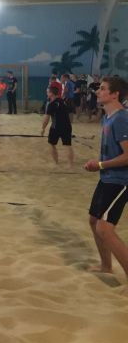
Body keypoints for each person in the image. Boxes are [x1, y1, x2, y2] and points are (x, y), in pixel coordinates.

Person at [83, 76, 128, 284]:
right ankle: (106, 266)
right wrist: (99, 166)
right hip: (107, 178)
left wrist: (100, 165)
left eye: (102, 88)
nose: (97, 91)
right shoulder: (108, 118)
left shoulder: (121, 118)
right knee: (94, 221)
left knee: (105, 229)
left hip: (121, 180)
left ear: (115, 94)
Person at [41, 85, 74, 167]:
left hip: (56, 127)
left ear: (51, 93)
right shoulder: (63, 101)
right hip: (67, 126)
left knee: (51, 144)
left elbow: (46, 119)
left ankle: (56, 163)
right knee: (68, 145)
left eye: (47, 92)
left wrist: (43, 128)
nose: (46, 93)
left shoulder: (51, 104)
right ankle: (70, 164)